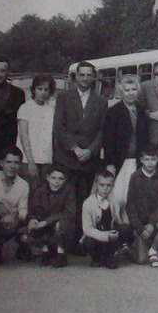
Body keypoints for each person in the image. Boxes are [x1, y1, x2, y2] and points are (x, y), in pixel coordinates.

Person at [53, 61, 106, 210]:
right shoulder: (63, 97)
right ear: (76, 76)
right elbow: (58, 126)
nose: (85, 78)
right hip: (67, 157)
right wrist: (75, 148)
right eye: (82, 75)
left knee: (83, 199)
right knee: (65, 199)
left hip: (88, 161)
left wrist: (90, 151)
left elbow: (102, 130)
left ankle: (82, 230)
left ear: (94, 77)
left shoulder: (101, 101)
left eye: (89, 75)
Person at [101, 73, 152, 220]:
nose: (131, 93)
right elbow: (108, 140)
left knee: (134, 199)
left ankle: (131, 234)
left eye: (134, 90)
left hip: (137, 161)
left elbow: (145, 138)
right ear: (121, 92)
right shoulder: (113, 112)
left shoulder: (142, 111)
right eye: (127, 90)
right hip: (120, 162)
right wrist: (110, 164)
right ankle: (117, 229)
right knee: (117, 198)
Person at [17, 165, 76, 267]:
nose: (56, 182)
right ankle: (45, 248)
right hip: (43, 227)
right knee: (23, 235)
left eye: (60, 179)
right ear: (47, 177)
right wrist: (32, 219)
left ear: (65, 179)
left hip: (58, 225)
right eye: (53, 178)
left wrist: (47, 221)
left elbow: (70, 212)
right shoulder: (40, 190)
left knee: (62, 225)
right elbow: (32, 209)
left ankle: (60, 252)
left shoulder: (69, 191)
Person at [123, 149, 158, 266]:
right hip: (140, 221)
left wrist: (151, 224)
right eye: (147, 159)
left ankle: (153, 251)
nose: (150, 163)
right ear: (141, 160)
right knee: (141, 260)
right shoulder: (135, 177)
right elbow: (130, 205)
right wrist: (140, 228)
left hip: (154, 220)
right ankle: (126, 249)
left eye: (153, 159)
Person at [15, 74, 57, 186]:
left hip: (46, 160)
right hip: (28, 160)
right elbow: (24, 137)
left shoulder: (51, 110)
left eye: (46, 89)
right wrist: (31, 161)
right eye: (39, 89)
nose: (43, 93)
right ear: (34, 90)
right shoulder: (25, 108)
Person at [79, 168, 122, 268]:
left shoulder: (115, 199)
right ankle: (98, 258)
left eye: (109, 185)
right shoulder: (88, 203)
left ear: (113, 185)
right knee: (88, 242)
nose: (105, 188)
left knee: (125, 229)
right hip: (97, 235)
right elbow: (87, 229)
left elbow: (122, 209)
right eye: (102, 185)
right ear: (96, 185)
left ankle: (109, 256)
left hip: (112, 233)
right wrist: (106, 236)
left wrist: (119, 224)